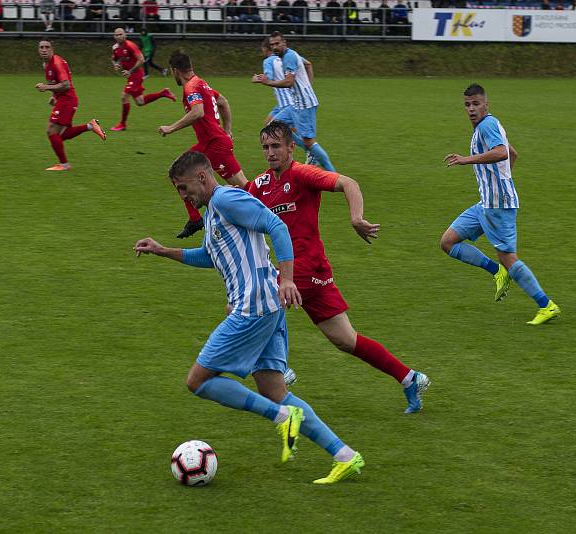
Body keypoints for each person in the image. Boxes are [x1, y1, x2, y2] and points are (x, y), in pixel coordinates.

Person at [134, 150, 365, 484]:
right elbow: (211, 257)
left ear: (202, 177)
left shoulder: (227, 199)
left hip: (253, 306)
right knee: (273, 388)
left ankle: (283, 417)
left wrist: (287, 278)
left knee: (198, 381)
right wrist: (163, 251)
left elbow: (276, 225)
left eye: (184, 188)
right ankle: (345, 455)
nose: (183, 196)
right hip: (265, 306)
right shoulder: (216, 211)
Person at [248, 121, 430, 412]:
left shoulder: (302, 173)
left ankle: (278, 368)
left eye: (276, 146)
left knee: (257, 301)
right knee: (346, 340)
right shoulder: (261, 185)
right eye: (265, 147)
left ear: (291, 147)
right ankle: (409, 378)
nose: (270, 152)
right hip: (307, 271)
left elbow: (349, 183)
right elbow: (238, 203)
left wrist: (356, 218)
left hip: (303, 269)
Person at [441, 84, 560, 325]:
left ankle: (546, 305)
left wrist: (467, 160)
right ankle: (497, 272)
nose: (472, 109)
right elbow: (513, 153)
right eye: (467, 105)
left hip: (498, 205)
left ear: (487, 104)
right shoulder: (485, 127)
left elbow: (502, 153)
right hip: (487, 202)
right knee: (448, 242)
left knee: (508, 257)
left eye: (476, 104)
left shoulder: (486, 125)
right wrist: (502, 180)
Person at [159, 51, 250, 238]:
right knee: (178, 172)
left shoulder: (190, 87)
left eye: (172, 71)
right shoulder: (202, 83)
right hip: (213, 143)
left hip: (214, 145)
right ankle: (195, 218)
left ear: (176, 71)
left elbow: (198, 112)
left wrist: (171, 128)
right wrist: (228, 130)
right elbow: (223, 102)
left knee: (245, 188)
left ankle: (268, 212)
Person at [255, 32, 336, 172]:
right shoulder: (289, 55)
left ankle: (333, 173)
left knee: (309, 141)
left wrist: (268, 82)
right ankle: (309, 151)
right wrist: (308, 87)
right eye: (272, 44)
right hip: (295, 104)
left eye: (277, 44)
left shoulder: (289, 57)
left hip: (305, 105)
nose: (275, 47)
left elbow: (288, 82)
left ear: (284, 43)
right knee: (273, 125)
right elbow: (308, 64)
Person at [36, 39, 106, 171]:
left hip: (68, 100)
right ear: (38, 50)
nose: (44, 50)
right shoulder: (46, 64)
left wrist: (46, 87)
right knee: (61, 135)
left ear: (52, 49)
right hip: (64, 99)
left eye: (47, 47)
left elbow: (66, 85)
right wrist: (53, 95)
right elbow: (55, 82)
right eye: (41, 47)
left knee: (51, 131)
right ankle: (91, 126)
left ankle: (64, 165)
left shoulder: (57, 63)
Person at [110, 28, 175, 132]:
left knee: (124, 97)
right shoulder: (115, 47)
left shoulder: (130, 46)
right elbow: (114, 59)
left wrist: (130, 71)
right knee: (140, 102)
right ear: (114, 36)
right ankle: (163, 93)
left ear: (125, 35)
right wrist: (116, 65)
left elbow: (141, 59)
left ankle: (122, 124)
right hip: (130, 76)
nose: (118, 36)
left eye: (120, 34)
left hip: (136, 74)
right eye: (116, 35)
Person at [254, 37, 306, 154]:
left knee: (282, 129)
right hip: (286, 101)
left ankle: (309, 149)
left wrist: (258, 79)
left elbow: (268, 77)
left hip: (286, 102)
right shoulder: (286, 57)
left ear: (265, 49)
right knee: (269, 125)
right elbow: (306, 63)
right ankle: (306, 147)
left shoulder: (268, 61)